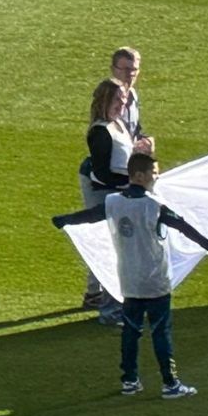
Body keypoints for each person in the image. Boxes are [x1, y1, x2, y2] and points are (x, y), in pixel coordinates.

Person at [53, 152, 208, 399]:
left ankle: (130, 381)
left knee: (130, 332)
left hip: (129, 280)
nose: (156, 177)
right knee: (160, 332)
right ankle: (170, 384)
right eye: (154, 173)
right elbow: (183, 226)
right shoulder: (154, 206)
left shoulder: (113, 202)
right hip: (155, 281)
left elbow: (89, 216)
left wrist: (65, 220)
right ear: (139, 175)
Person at [78, 78, 134, 323]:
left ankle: (96, 295)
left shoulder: (118, 124)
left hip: (116, 190)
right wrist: (130, 183)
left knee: (112, 245)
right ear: (104, 101)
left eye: (123, 99)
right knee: (110, 248)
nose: (122, 104)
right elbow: (102, 173)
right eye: (116, 100)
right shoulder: (101, 131)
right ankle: (109, 309)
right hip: (105, 193)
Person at [109, 47, 154, 155]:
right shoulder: (107, 99)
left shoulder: (133, 94)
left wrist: (146, 141)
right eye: (125, 69)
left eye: (134, 69)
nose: (131, 74)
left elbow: (134, 131)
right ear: (113, 69)